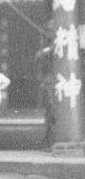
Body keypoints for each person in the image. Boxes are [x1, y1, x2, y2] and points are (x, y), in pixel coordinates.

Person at [35, 19, 55, 151]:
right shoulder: (45, 49)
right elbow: (39, 57)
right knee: (51, 114)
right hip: (50, 84)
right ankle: (49, 142)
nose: (50, 32)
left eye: (52, 30)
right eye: (48, 30)